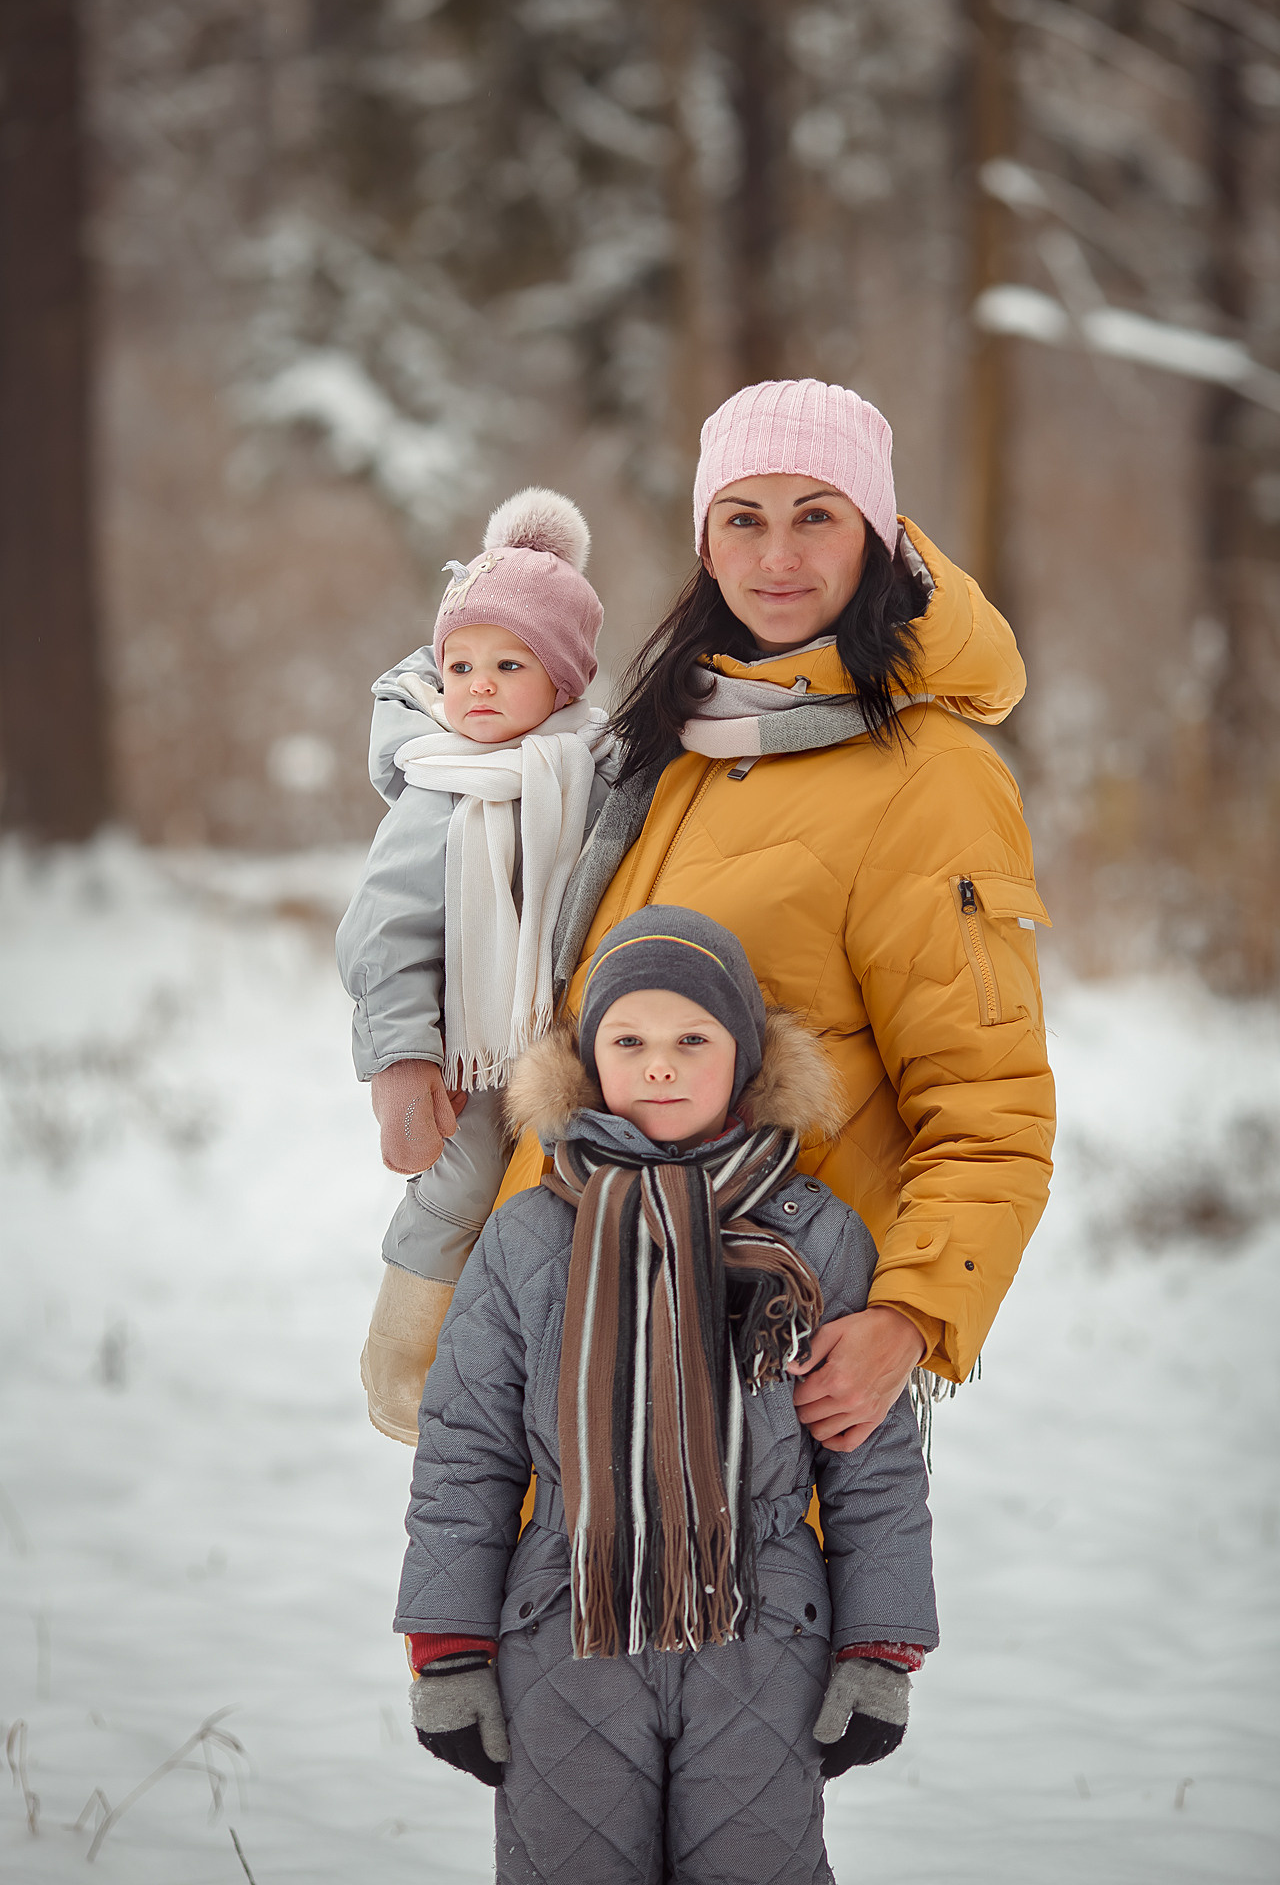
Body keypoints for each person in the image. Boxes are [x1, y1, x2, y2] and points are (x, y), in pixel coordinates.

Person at [497, 378, 1056, 1453]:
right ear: (705, 546)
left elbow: (988, 1107)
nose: (778, 557)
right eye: (744, 520)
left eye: (816, 516)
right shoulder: (673, 745)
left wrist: (910, 1317)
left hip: (766, 1363)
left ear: (876, 537)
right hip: (577, 1337)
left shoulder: (931, 778)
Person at [398, 907, 938, 1885]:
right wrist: (448, 1643)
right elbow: (467, 1446)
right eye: (629, 1042)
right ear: (586, 1063)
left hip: (765, 1634)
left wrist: (879, 1644)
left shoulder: (815, 1236)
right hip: (565, 1629)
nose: (660, 1067)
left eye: (693, 1040)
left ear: (744, 1060)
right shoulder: (528, 1237)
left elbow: (871, 1456)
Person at [336, 489, 617, 1442]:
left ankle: (535, 1380)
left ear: (564, 681)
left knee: (558, 1208)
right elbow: (385, 934)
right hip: (466, 1053)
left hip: (571, 1045)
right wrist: (402, 1062)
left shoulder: (589, 770)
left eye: (509, 664)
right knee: (462, 1189)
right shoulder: (439, 787)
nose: (478, 687)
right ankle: (404, 1364)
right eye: (460, 665)